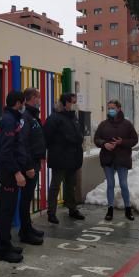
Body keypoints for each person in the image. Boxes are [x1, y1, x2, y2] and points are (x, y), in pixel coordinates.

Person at [0, 90, 33, 262]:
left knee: (8, 212)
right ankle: (2, 250)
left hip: (11, 171)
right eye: (22, 103)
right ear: (18, 103)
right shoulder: (9, 121)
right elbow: (6, 151)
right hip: (9, 174)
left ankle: (6, 244)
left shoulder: (9, 118)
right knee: (6, 212)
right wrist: (17, 172)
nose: (23, 106)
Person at [93, 100, 139, 221]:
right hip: (107, 159)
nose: (110, 111)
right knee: (110, 184)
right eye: (109, 108)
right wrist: (104, 144)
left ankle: (128, 209)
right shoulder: (103, 124)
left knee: (123, 184)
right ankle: (110, 210)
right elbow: (96, 139)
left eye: (112, 108)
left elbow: (134, 140)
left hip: (122, 159)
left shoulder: (127, 124)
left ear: (119, 108)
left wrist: (121, 142)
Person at [44, 92, 85, 224]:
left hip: (72, 158)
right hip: (60, 158)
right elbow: (47, 137)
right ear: (66, 102)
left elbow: (79, 134)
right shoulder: (54, 118)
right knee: (55, 185)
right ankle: (51, 213)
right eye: (72, 102)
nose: (74, 105)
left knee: (71, 184)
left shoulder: (73, 117)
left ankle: (72, 209)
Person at [18, 87, 47, 245]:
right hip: (28, 165)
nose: (40, 101)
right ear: (31, 98)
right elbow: (23, 143)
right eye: (38, 97)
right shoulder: (26, 117)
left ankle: (28, 228)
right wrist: (28, 166)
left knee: (28, 199)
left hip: (34, 162)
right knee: (25, 199)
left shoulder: (34, 116)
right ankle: (25, 232)